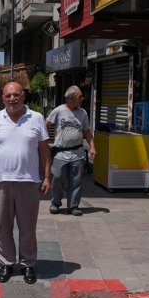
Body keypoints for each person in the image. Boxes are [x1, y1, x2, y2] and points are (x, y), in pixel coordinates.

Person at [0, 82, 51, 284]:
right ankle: (6, 262)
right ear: (3, 98)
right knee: (3, 226)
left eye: (16, 95)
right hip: (1, 182)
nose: (12, 99)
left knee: (27, 226)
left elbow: (44, 151)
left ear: (23, 96)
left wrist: (46, 177)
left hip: (29, 182)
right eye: (8, 96)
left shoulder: (36, 118)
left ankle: (28, 264)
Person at [46, 85, 96, 217]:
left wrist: (92, 146)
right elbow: (45, 126)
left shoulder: (82, 113)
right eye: (80, 96)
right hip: (60, 152)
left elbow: (87, 132)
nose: (82, 98)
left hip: (77, 152)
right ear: (71, 98)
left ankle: (73, 206)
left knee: (76, 180)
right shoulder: (58, 111)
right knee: (57, 178)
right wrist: (44, 144)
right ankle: (55, 203)